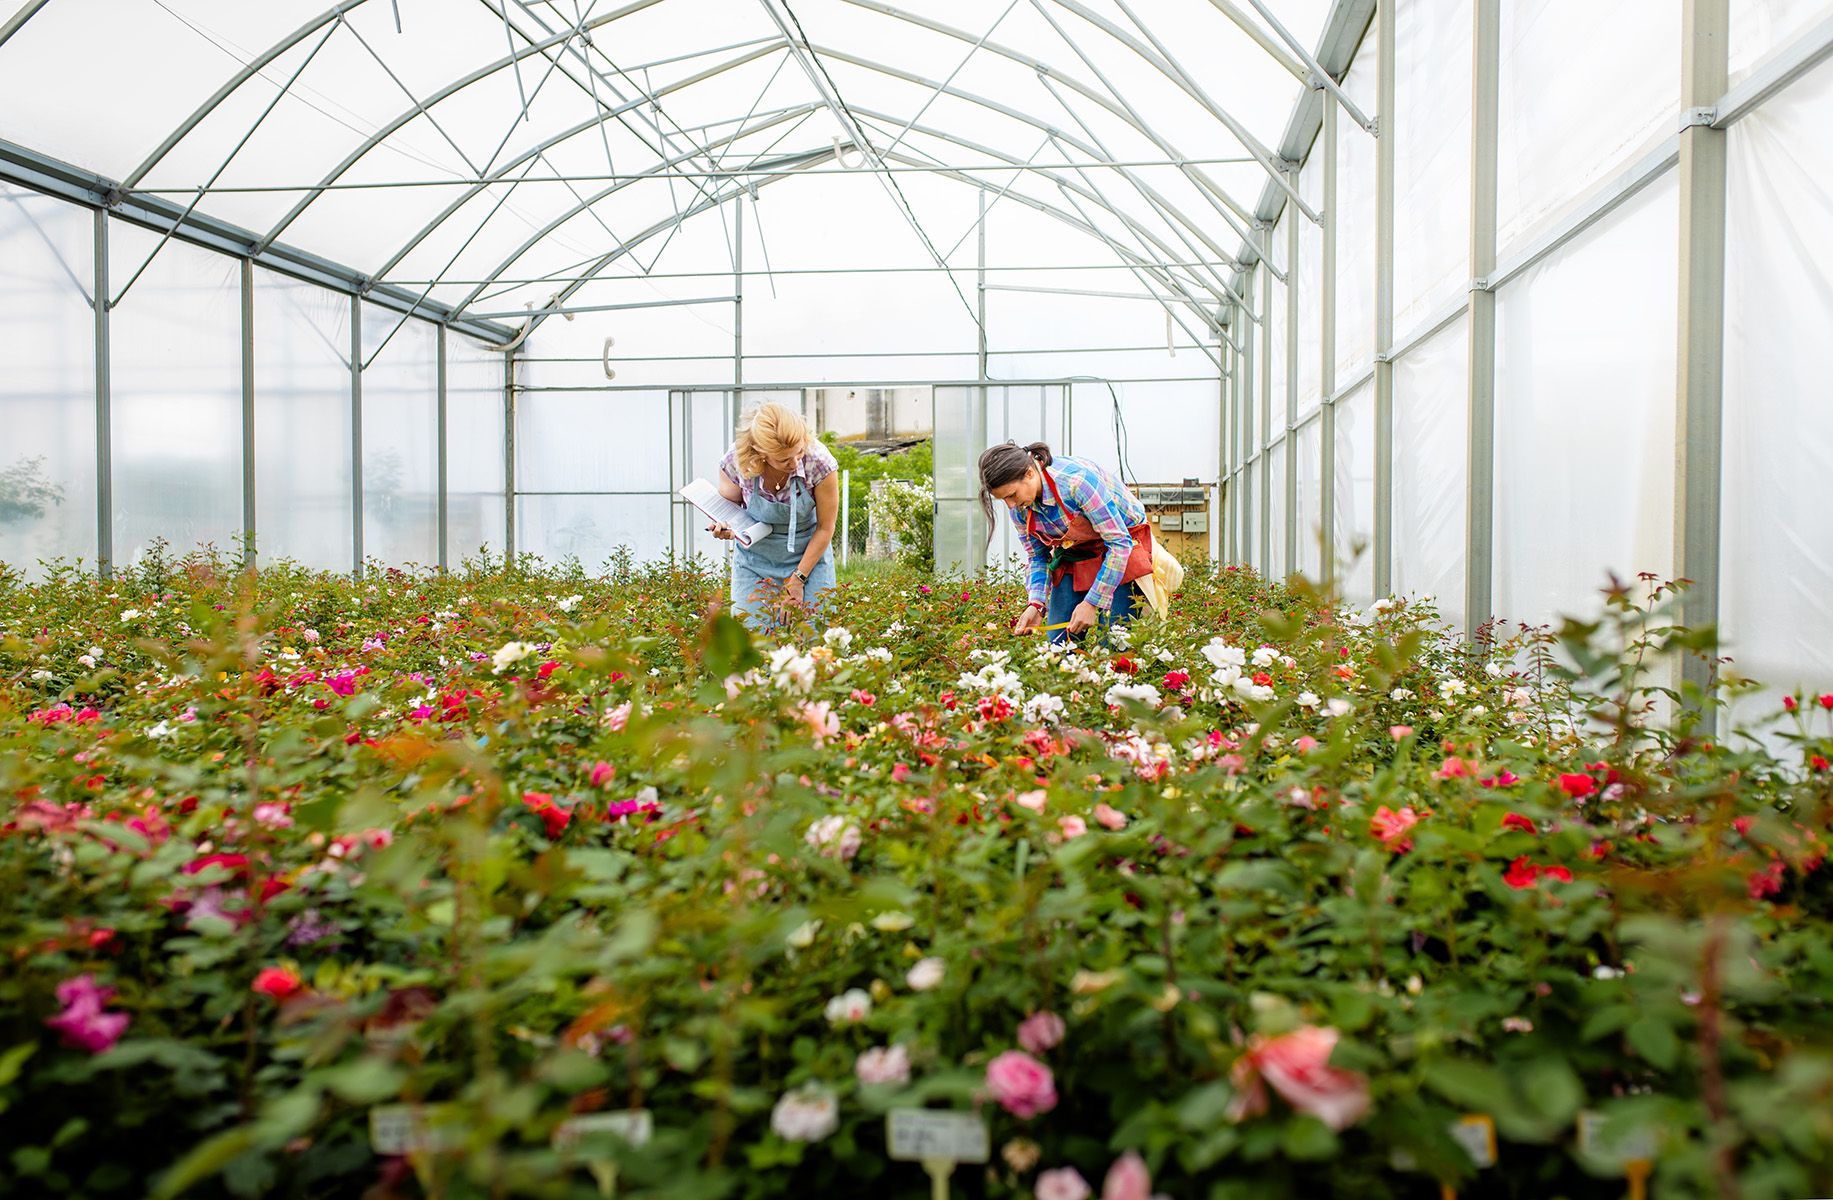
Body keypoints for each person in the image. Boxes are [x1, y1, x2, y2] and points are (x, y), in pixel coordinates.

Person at [979, 441, 1153, 644]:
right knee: (1059, 641)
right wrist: (1036, 604)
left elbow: (1118, 543)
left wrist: (1091, 603)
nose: (1010, 505)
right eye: (1003, 499)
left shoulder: (1076, 484)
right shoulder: (1019, 509)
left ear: (1029, 473)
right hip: (1076, 549)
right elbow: (1037, 557)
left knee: (1115, 638)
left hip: (1122, 546)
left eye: (1012, 495)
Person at [709, 401, 839, 629]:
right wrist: (726, 527)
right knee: (752, 638)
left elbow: (825, 528)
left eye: (799, 452)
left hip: (809, 556)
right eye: (783, 459)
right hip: (754, 561)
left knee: (813, 635)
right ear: (760, 453)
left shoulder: (819, 462)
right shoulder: (737, 461)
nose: (795, 462)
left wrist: (798, 579)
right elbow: (728, 510)